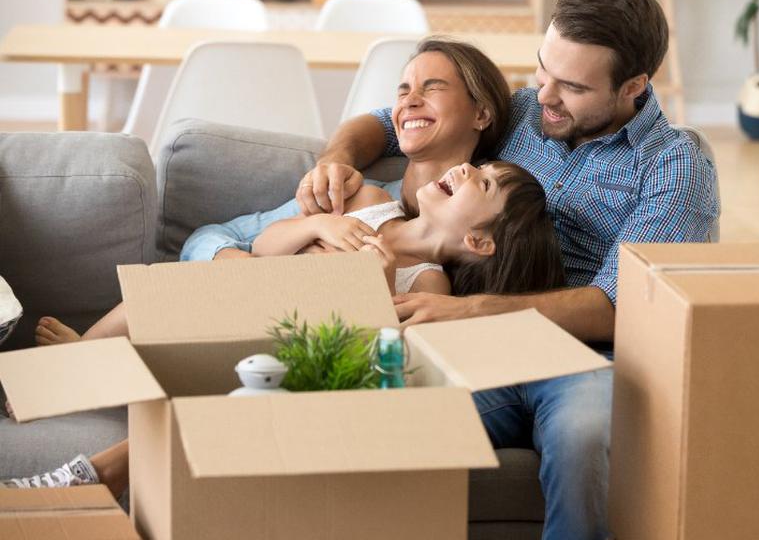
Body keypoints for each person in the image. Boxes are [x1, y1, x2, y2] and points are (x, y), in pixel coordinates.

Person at [7, 39, 567, 497]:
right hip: (238, 309)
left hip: (284, 357)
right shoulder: (363, 195)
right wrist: (315, 229)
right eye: (403, 89)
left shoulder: (428, 283)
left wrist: (371, 279)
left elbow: (372, 350)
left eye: (432, 87)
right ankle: (69, 369)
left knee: (261, 383)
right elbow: (251, 246)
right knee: (175, 292)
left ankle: (90, 459)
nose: (409, 100)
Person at [294, 0, 721, 539]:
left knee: (585, 430)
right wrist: (336, 158)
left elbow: (623, 308)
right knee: (340, 411)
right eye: (544, 69)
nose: (544, 94)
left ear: (634, 86)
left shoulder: (675, 165)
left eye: (570, 86)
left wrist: (474, 312)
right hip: (469, 349)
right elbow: (384, 124)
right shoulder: (522, 109)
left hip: (580, 361)